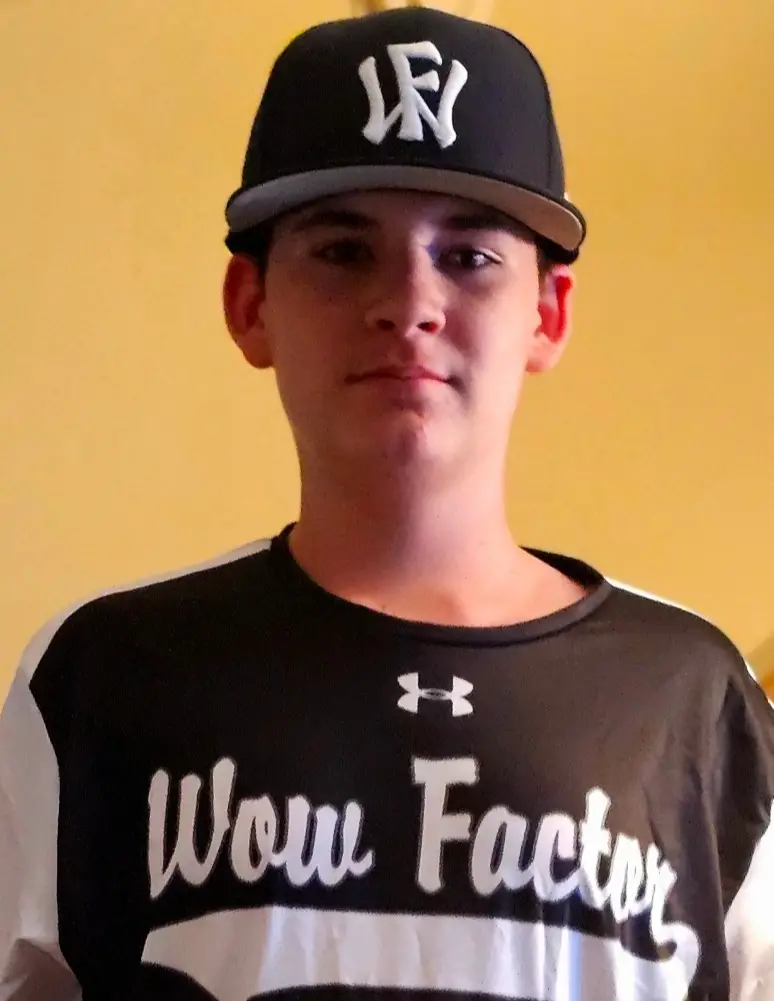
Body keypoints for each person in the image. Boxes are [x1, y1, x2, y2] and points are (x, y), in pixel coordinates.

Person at [1, 6, 772, 1000]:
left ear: (547, 312)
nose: (408, 303)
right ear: (250, 304)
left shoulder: (694, 698)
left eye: (469, 255)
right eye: (342, 250)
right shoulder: (99, 675)